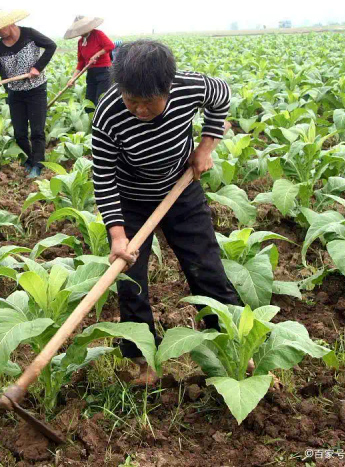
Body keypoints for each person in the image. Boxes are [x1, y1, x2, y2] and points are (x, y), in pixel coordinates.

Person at [91, 40, 240, 385]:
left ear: (168, 88)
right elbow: (103, 175)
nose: (139, 110)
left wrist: (206, 144)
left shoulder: (191, 87)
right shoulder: (109, 112)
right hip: (131, 200)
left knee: (206, 268)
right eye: (132, 101)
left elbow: (222, 96)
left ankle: (233, 346)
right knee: (129, 280)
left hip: (180, 191)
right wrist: (117, 236)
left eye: (148, 103)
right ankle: (143, 361)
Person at [0, 10, 57, 178]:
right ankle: (32, 157)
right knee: (19, 134)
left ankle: (37, 164)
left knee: (37, 131)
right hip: (15, 92)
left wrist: (38, 67)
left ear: (10, 23)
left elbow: (51, 46)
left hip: (36, 89)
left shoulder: (29, 34)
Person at [64, 16, 115, 111]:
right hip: (91, 73)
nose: (81, 32)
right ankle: (89, 123)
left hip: (104, 72)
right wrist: (73, 78)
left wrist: (97, 54)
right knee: (88, 102)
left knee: (100, 101)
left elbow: (110, 46)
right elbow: (81, 62)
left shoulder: (98, 34)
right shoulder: (80, 42)